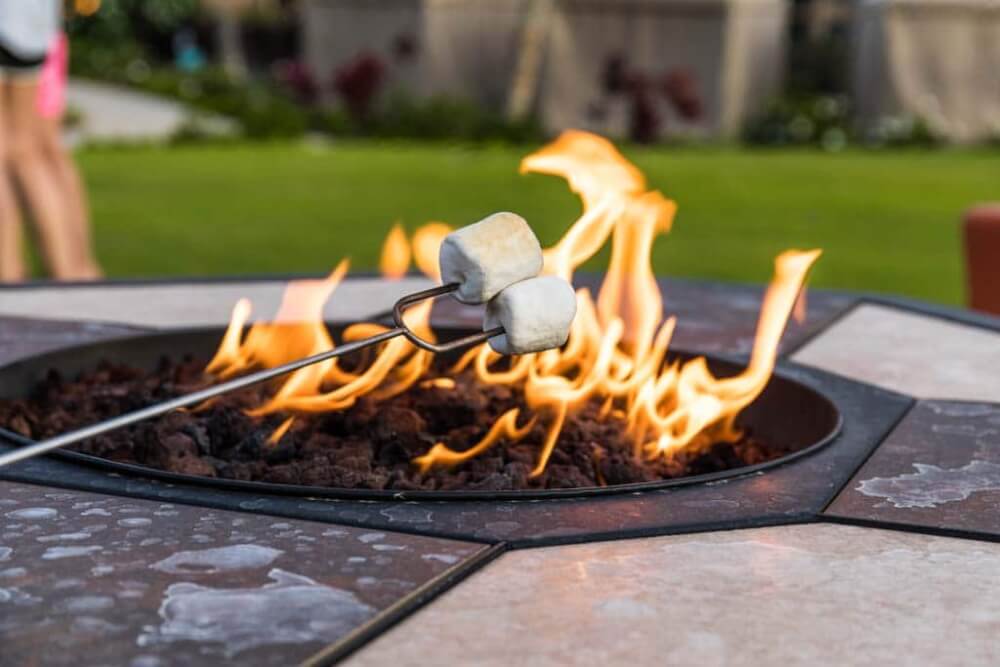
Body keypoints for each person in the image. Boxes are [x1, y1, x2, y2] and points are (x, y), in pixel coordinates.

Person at [0, 0, 101, 281]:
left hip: (13, 23)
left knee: (18, 153)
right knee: (33, 150)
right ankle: (75, 271)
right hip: (34, 26)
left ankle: (12, 276)